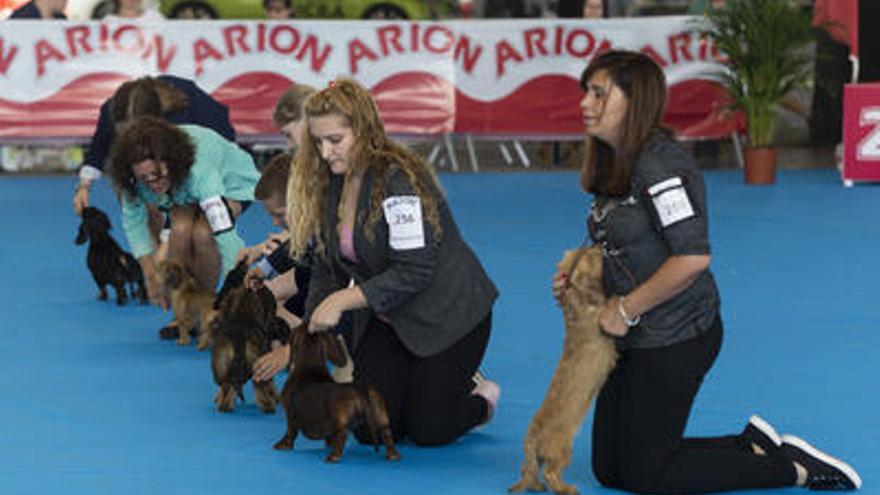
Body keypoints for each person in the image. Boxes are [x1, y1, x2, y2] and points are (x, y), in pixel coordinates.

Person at [551, 50, 861, 493]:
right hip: (634, 335)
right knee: (610, 468)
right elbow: (622, 242)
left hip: (678, 335)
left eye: (598, 93)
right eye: (586, 91)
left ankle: (793, 469)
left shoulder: (659, 166)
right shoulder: (615, 162)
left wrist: (623, 308)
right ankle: (748, 445)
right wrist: (582, 281)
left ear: (634, 100)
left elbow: (692, 258)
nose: (584, 102)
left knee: (645, 474)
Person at [286, 78, 500, 446]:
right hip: (389, 317)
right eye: (317, 142)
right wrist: (309, 332)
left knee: (429, 429)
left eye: (335, 140)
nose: (324, 153)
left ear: (364, 131)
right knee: (371, 430)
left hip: (448, 315)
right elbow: (326, 265)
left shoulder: (400, 182)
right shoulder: (331, 183)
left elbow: (414, 270)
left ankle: (480, 397)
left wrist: (341, 301)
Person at [107, 117, 259, 314]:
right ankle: (184, 314)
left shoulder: (199, 171)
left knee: (204, 234)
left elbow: (226, 235)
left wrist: (238, 288)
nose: (153, 185)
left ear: (170, 162)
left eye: (157, 175)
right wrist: (150, 275)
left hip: (231, 183)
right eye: (144, 179)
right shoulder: (132, 180)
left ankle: (207, 308)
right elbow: (134, 224)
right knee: (179, 231)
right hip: (180, 190)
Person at [73, 75, 235, 216]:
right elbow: (98, 149)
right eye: (124, 133)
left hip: (211, 158)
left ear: (155, 120)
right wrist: (84, 187)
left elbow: (221, 147)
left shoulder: (183, 113)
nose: (129, 139)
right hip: (162, 154)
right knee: (133, 188)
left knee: (195, 229)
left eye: (135, 132)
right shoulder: (111, 111)